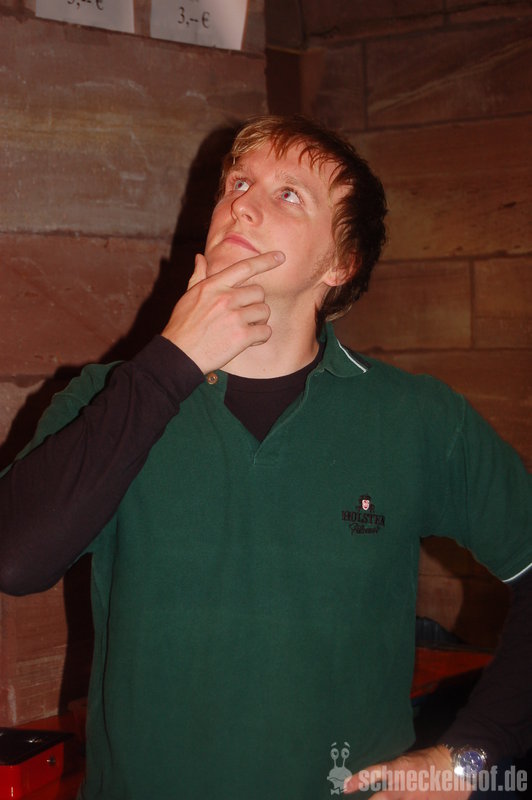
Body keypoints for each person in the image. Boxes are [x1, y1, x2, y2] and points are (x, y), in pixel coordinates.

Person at [0, 115, 530, 800]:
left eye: (288, 195)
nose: (242, 203)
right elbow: (15, 559)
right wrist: (170, 365)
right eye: (238, 183)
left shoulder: (417, 417)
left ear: (340, 264)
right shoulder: (111, 396)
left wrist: (469, 756)